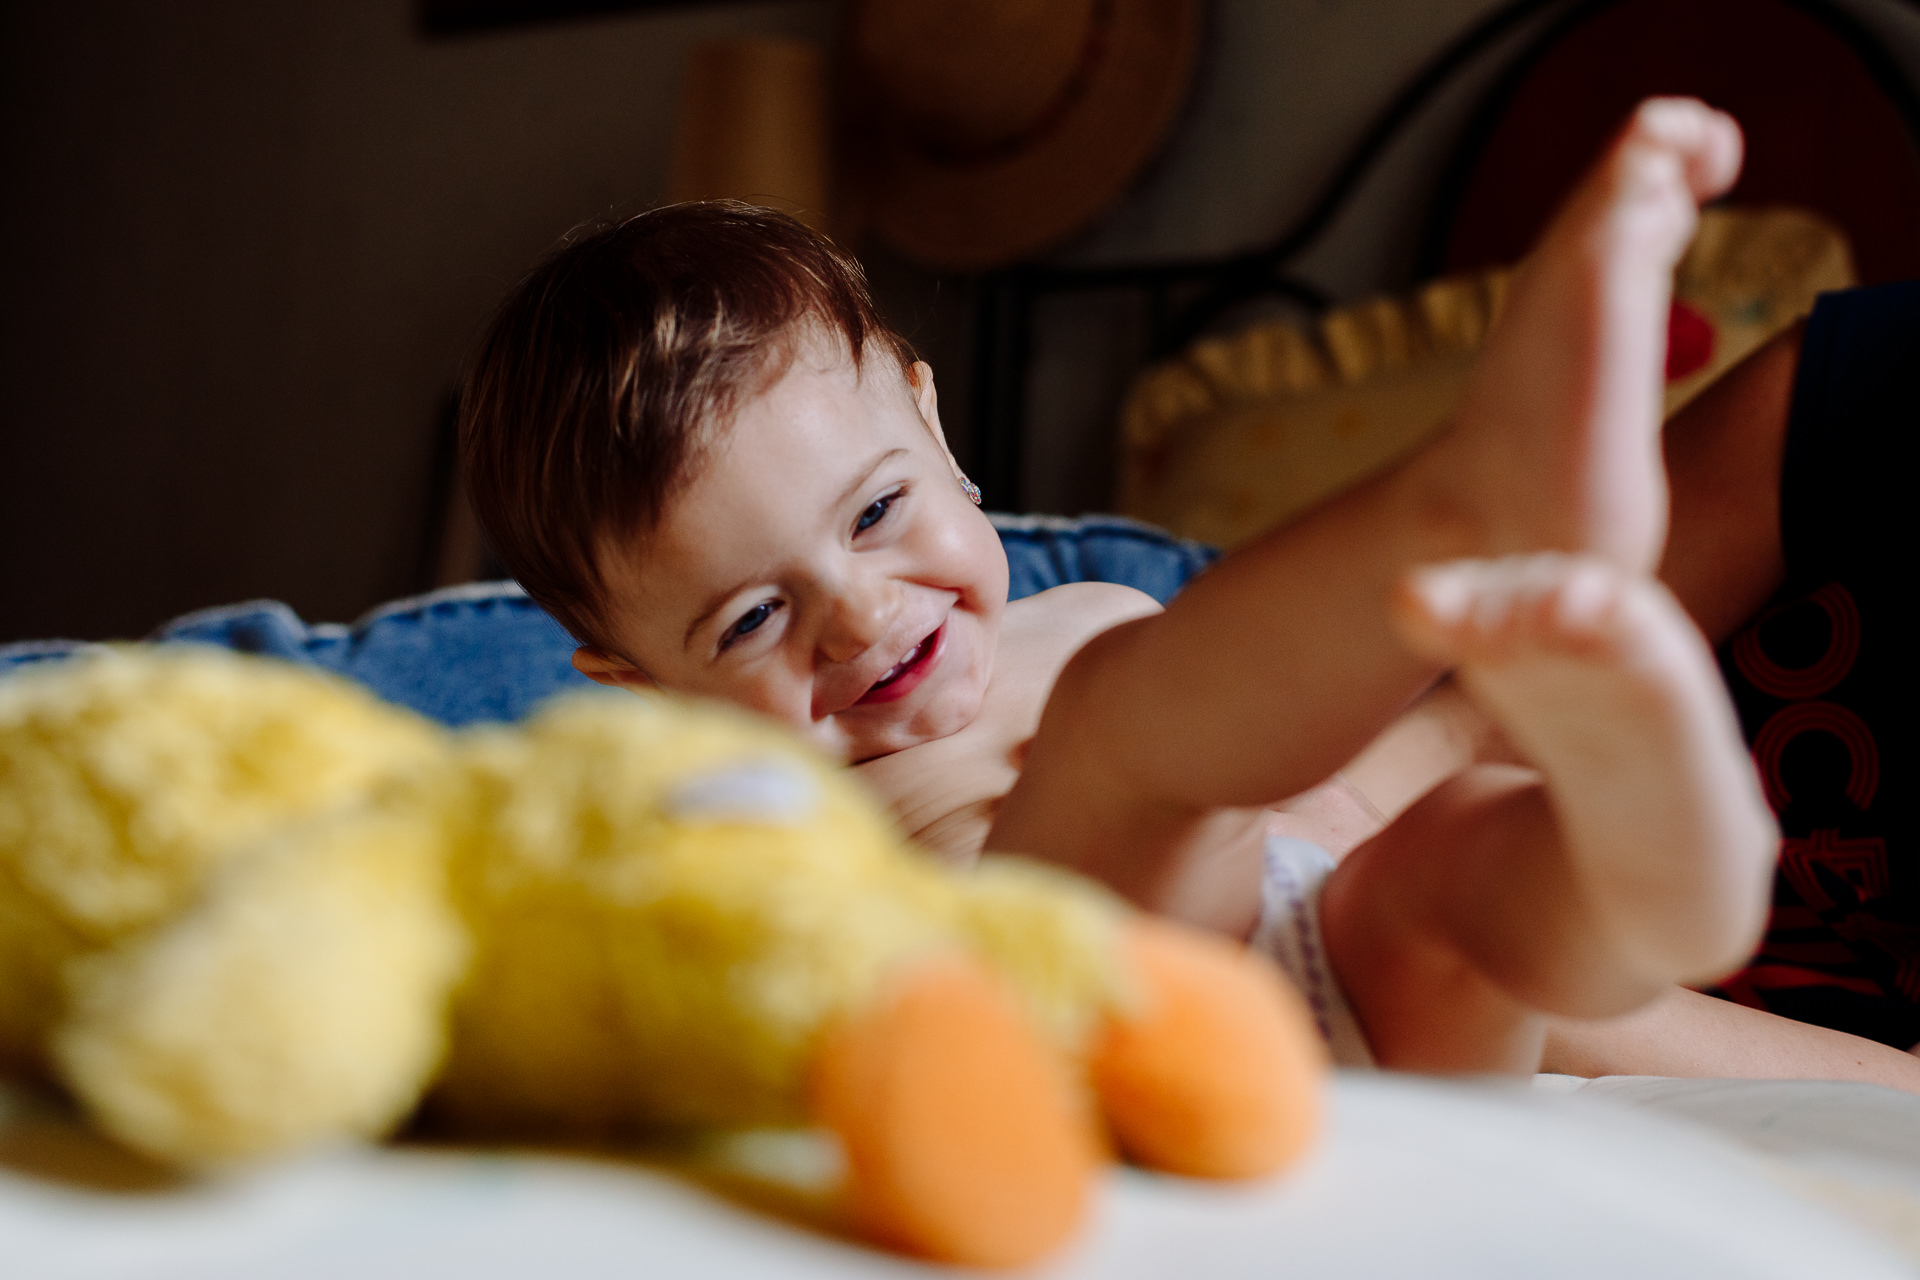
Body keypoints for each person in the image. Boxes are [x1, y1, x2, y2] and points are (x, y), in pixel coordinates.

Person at [455, 98, 1866, 1082]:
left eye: (879, 511)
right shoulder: (727, 807)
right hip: (1100, 1030)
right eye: (753, 619)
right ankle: (1460, 501)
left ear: (939, 432)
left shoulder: (1087, 623)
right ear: (636, 689)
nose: (861, 614)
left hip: (1333, 966)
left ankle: (1659, 855)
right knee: (1121, 728)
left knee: (1473, 858)